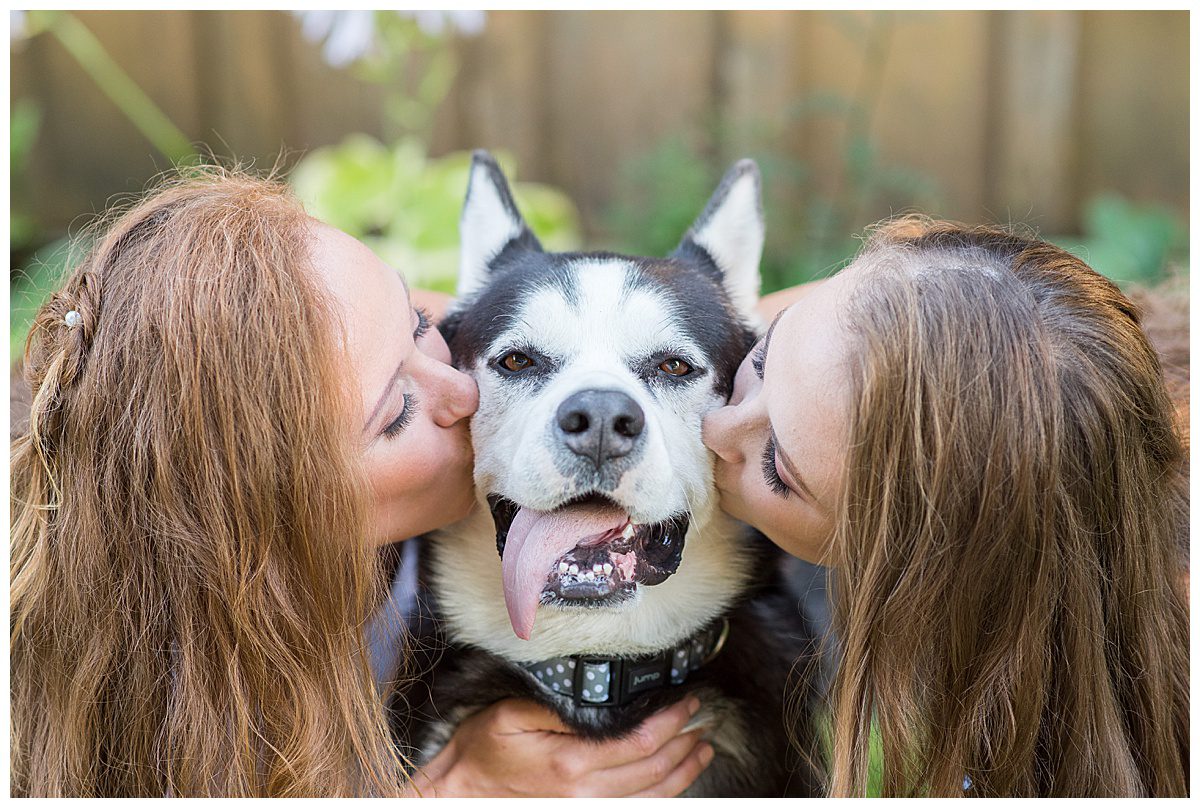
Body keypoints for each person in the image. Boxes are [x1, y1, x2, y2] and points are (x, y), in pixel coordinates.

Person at [9, 168, 713, 797]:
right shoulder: (171, 689)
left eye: (417, 325)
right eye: (398, 411)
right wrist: (450, 791)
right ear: (279, 504)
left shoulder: (370, 341)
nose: (464, 389)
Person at [701, 216, 1190, 797]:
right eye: (761, 358)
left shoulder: (1069, 744)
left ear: (920, 567)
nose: (712, 426)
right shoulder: (867, 327)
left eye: (779, 467)